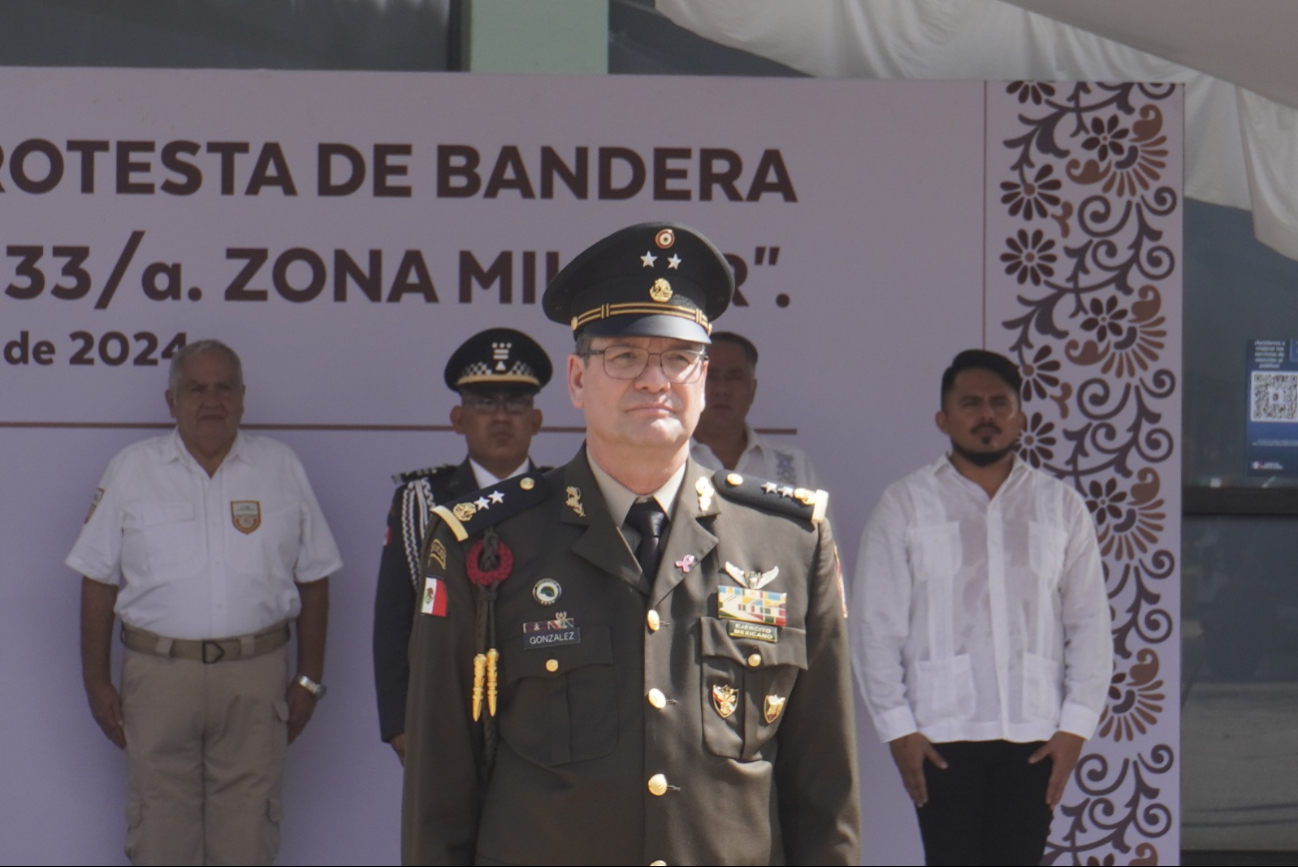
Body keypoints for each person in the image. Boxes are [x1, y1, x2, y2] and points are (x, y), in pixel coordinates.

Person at [402, 222, 860, 865]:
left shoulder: (788, 542)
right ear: (577, 379)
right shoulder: (484, 544)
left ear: (703, 376)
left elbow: (824, 798)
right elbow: (438, 798)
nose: (654, 380)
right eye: (624, 356)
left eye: (677, 357)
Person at [68, 339, 342, 866]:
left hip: (255, 676)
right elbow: (97, 581)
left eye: (223, 388)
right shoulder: (132, 469)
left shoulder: (280, 467)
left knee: (248, 840)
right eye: (196, 388)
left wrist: (308, 679)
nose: (210, 400)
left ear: (243, 397)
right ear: (171, 401)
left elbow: (315, 577)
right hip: (157, 677)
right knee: (160, 838)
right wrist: (97, 681)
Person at [854, 349, 1112, 866]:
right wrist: (897, 726)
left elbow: (1088, 624)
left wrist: (1075, 727)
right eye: (971, 403)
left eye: (999, 403)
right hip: (940, 733)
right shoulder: (905, 504)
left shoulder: (1059, 506)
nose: (986, 415)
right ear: (943, 419)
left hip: (1035, 732)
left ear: (1020, 417)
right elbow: (873, 624)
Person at [373, 327, 551, 762]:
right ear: (459, 419)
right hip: (443, 706)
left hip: (542, 709)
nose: (502, 416)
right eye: (485, 402)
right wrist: (398, 723)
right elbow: (395, 618)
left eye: (516, 402)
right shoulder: (422, 501)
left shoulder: (562, 498)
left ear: (536, 420)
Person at [691, 330, 821, 488]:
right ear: (691, 384)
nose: (721, 389)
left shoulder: (794, 464)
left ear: (753, 389)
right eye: (711, 376)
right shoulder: (667, 460)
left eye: (734, 377)